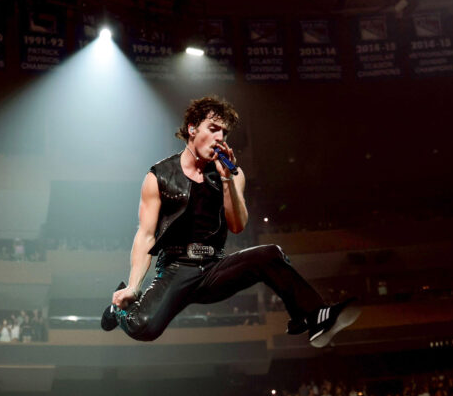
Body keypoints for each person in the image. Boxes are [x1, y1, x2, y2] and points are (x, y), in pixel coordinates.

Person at [100, 96, 358, 348]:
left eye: (224, 132)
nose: (220, 138)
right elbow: (146, 235)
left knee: (270, 254)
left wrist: (227, 180)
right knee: (144, 328)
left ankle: (314, 315)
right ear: (192, 128)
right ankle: (117, 311)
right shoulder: (159, 176)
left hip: (213, 269)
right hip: (176, 269)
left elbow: (237, 226)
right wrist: (133, 286)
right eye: (213, 129)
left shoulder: (233, 174)